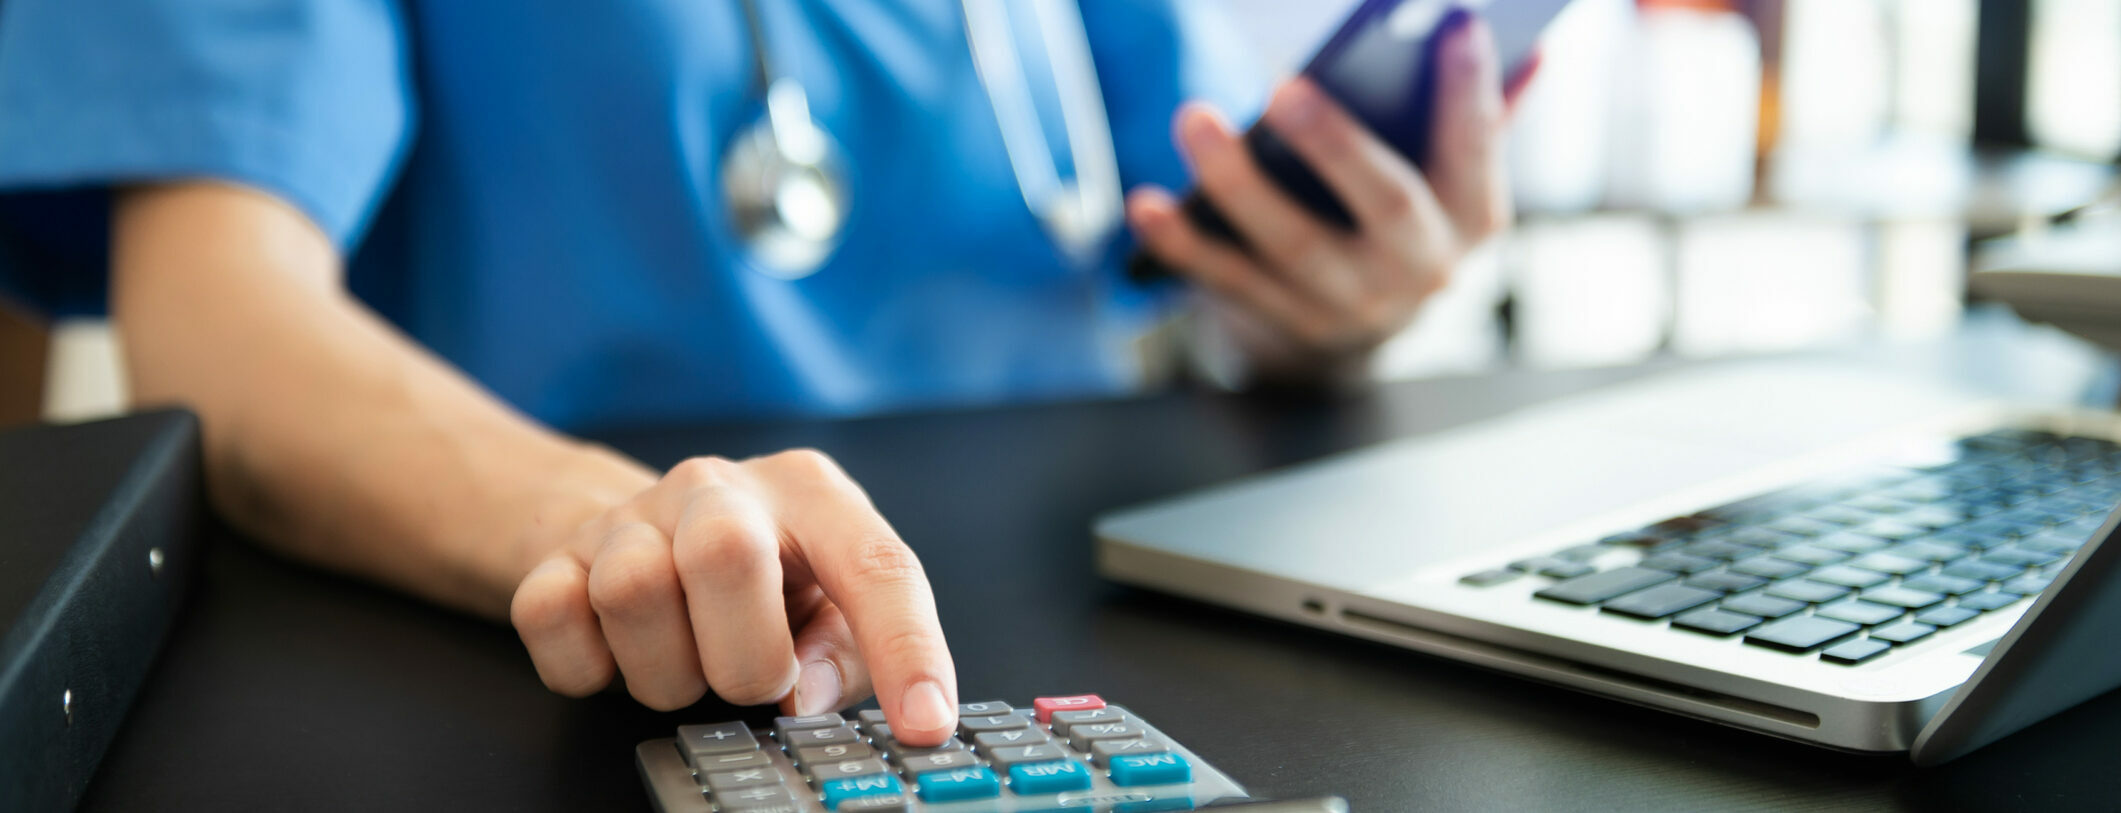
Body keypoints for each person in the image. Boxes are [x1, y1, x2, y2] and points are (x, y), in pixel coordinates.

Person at [0, 1, 1527, 746]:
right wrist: (617, 520)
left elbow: (1172, 249)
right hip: (590, 659)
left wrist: (1322, 307)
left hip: (1085, 631)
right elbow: (221, 334)